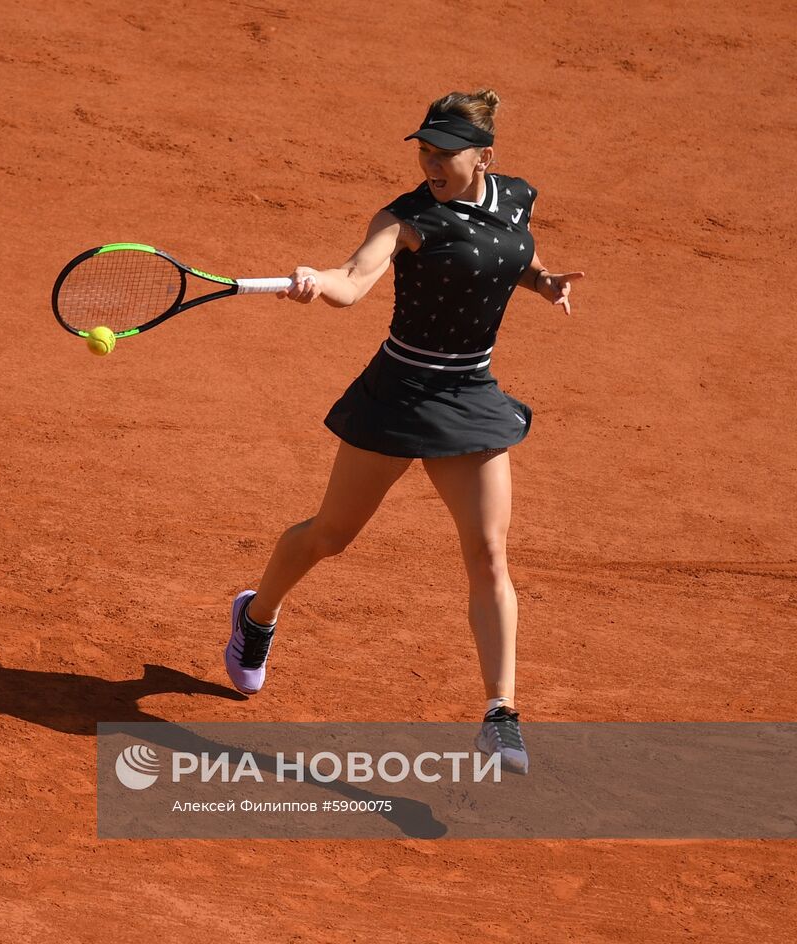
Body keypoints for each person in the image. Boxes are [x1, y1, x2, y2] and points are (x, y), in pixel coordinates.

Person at [222, 89, 583, 775]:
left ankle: (501, 713)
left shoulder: (515, 197)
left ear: (485, 157)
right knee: (331, 535)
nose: (432, 163)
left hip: (470, 392)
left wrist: (541, 281)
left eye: (446, 152)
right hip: (400, 392)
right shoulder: (407, 218)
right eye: (424, 150)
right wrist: (315, 279)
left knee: (488, 554)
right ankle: (257, 616)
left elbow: (510, 251)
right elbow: (355, 279)